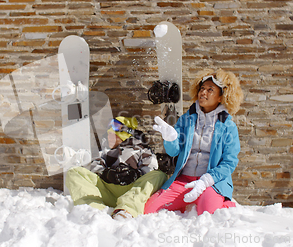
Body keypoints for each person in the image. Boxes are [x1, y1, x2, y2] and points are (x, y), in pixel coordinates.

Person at [144, 69, 244, 215]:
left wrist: (206, 181)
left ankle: (225, 204)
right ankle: (189, 201)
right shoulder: (186, 119)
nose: (203, 92)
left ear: (221, 97)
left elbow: (229, 162)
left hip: (212, 183)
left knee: (208, 213)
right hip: (184, 180)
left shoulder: (229, 126)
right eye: (202, 88)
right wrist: (170, 139)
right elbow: (173, 151)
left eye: (210, 90)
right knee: (150, 209)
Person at [65, 116, 167, 219]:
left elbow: (150, 168)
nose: (108, 137)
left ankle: (127, 209)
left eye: (111, 134)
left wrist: (135, 175)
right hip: (108, 191)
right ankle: (94, 210)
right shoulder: (105, 151)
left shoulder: (143, 150)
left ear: (124, 133)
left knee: (159, 175)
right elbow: (94, 167)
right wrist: (107, 174)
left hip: (132, 191)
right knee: (74, 172)